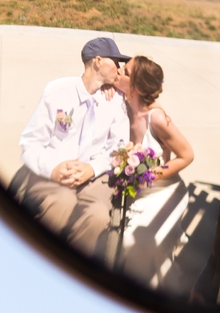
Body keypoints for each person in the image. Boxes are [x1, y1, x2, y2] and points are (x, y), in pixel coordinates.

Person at [12, 35, 132, 257]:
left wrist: (93, 168)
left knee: (97, 216)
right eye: (116, 62)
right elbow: (31, 142)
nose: (119, 68)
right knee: (61, 204)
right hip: (55, 172)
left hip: (95, 177)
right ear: (98, 61)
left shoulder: (116, 99)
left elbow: (119, 145)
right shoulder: (57, 91)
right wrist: (52, 168)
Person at [120, 55, 196, 183]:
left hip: (159, 189)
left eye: (125, 72)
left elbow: (187, 155)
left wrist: (147, 178)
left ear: (138, 87)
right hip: (132, 191)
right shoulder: (121, 107)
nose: (118, 71)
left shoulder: (156, 118)